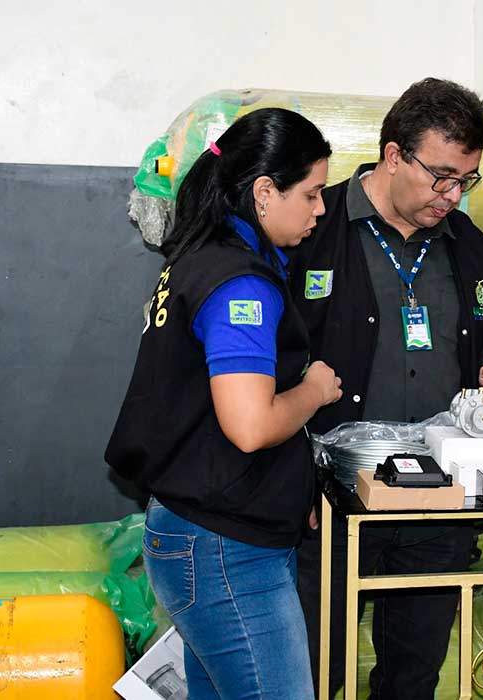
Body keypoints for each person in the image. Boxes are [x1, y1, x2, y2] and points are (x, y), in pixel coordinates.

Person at [289, 77, 483, 700]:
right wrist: (291, 480)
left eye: (467, 180)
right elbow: (271, 366)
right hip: (330, 503)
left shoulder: (470, 247)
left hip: (437, 499)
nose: (452, 195)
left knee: (413, 674)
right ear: (394, 154)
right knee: (315, 669)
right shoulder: (314, 230)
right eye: (441, 176)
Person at [105, 108, 341, 700]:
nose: (319, 210)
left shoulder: (199, 260)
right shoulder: (240, 284)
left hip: (211, 535)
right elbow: (249, 424)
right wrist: (314, 389)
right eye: (311, 194)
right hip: (224, 554)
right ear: (265, 192)